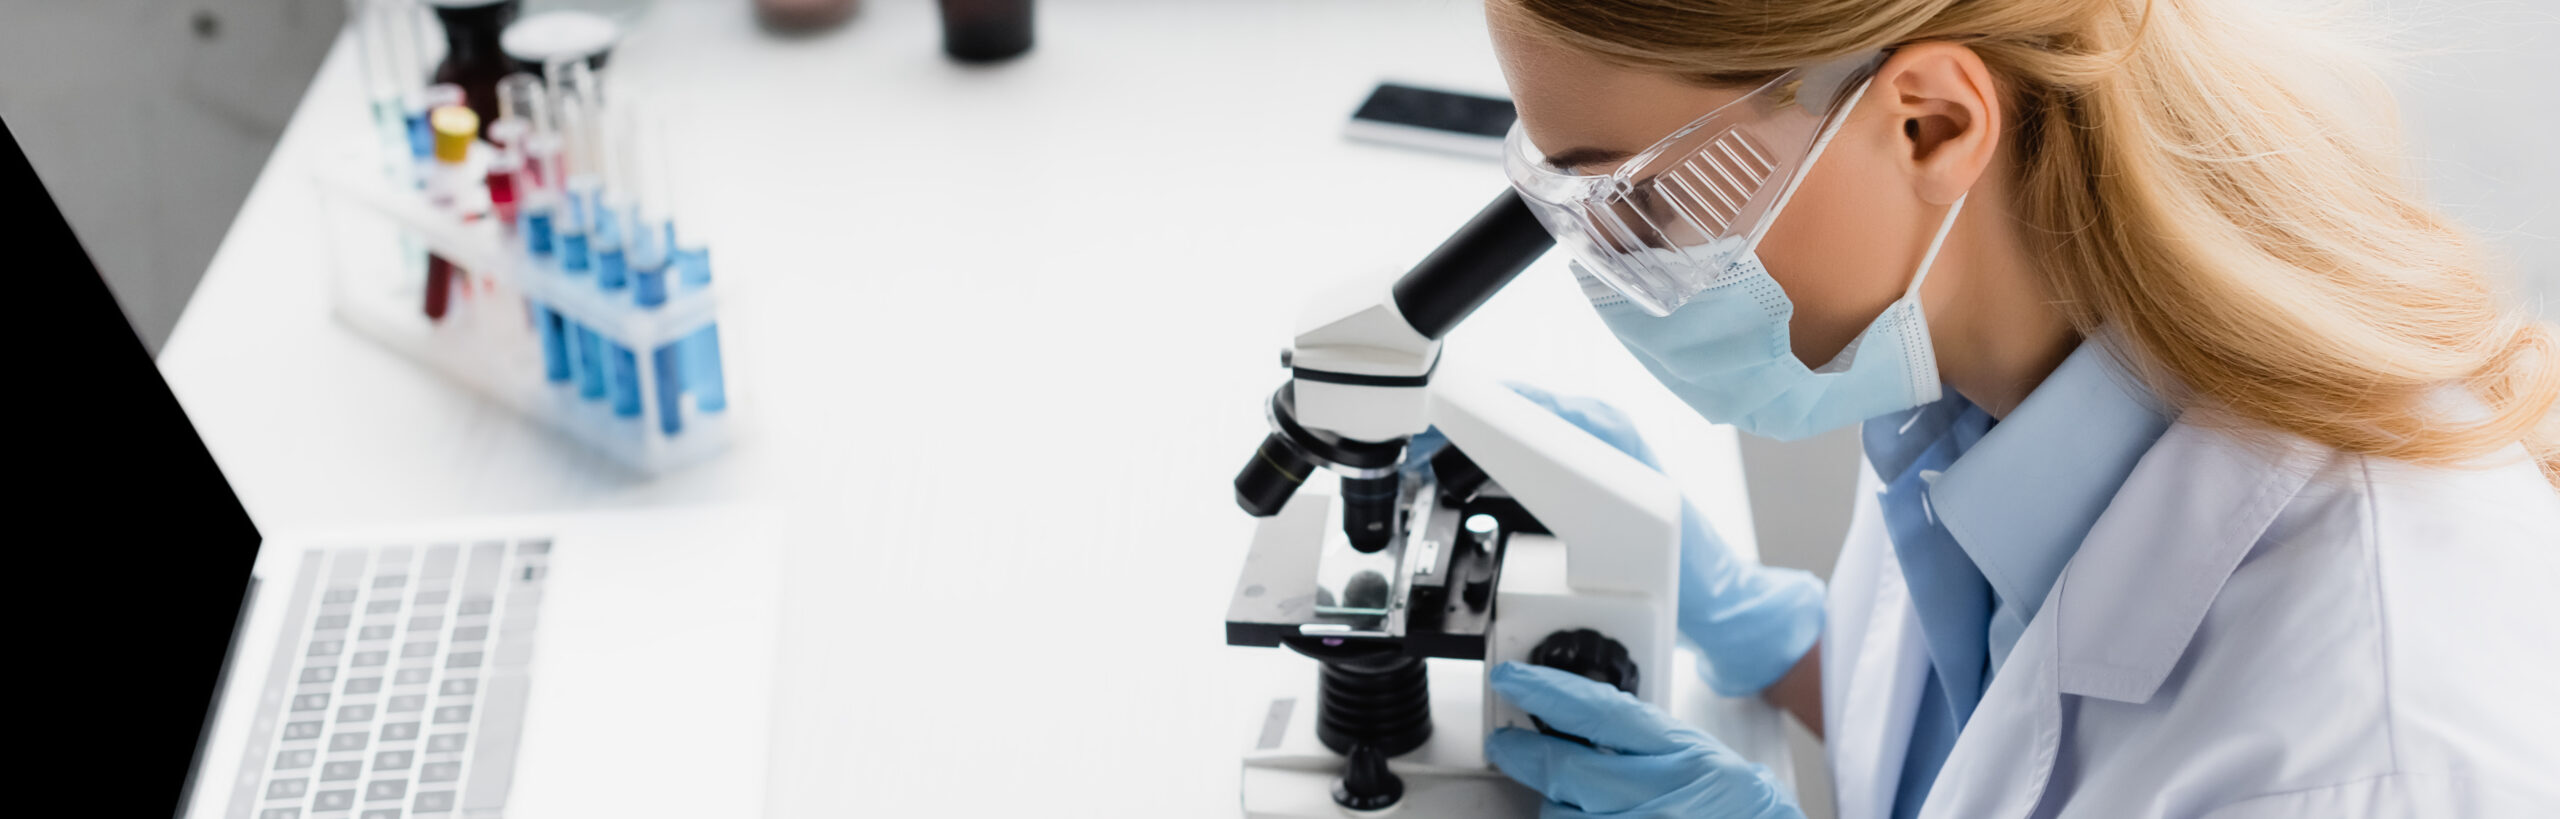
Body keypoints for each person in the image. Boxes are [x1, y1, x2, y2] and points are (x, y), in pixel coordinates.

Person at [1469, 0, 2560, 816]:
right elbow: (1996, 729)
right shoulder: (1971, 371)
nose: (1617, 273)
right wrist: (1756, 628)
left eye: (1642, 201)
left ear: (1931, 126)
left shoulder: (2371, 750)